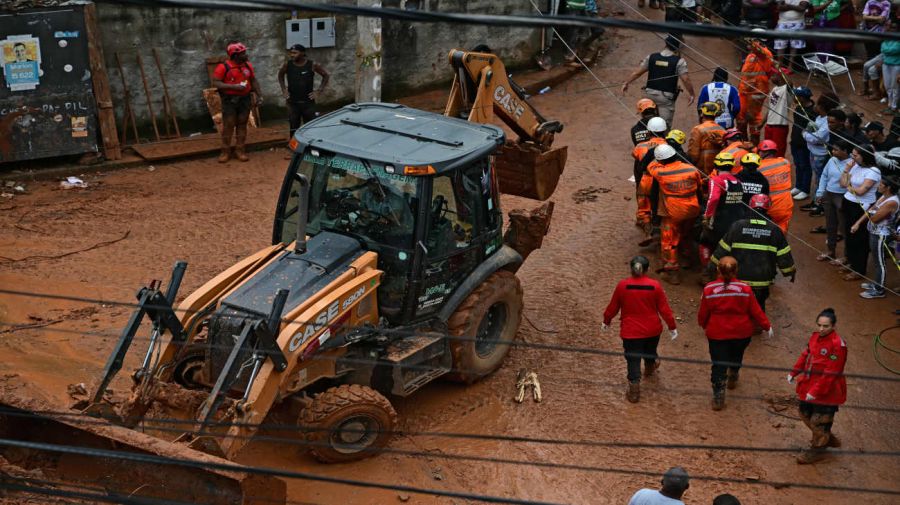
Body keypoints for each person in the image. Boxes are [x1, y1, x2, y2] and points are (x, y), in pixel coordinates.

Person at [698, 256, 771, 410]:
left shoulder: (709, 289)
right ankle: (733, 374)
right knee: (737, 355)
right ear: (737, 270)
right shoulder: (745, 289)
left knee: (718, 364)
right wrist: (766, 325)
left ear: (718, 269)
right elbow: (755, 310)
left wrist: (704, 325)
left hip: (717, 333)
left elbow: (703, 313)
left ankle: (719, 397)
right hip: (741, 333)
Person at [602, 256, 677, 403]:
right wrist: (672, 327)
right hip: (652, 330)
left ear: (631, 269)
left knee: (633, 359)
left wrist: (606, 321)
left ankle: (634, 389)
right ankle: (650, 366)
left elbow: (613, 307)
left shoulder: (622, 286)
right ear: (647, 269)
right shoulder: (655, 286)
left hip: (631, 332)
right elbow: (665, 310)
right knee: (650, 350)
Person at [712, 194, 795, 311]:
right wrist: (790, 272)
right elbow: (784, 255)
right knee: (759, 305)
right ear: (768, 208)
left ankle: (739, 324)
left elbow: (722, 249)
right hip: (762, 280)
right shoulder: (774, 230)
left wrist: (710, 268)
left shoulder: (737, 226)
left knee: (737, 305)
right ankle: (758, 325)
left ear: (750, 206)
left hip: (739, 277)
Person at [788, 308, 847, 464]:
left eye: (825, 326)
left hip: (828, 390)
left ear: (833, 326)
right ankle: (826, 436)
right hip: (809, 385)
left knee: (819, 420)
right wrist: (794, 372)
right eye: (819, 325)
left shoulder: (838, 346)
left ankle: (817, 449)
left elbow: (832, 371)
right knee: (803, 412)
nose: (821, 329)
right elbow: (805, 354)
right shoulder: (815, 337)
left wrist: (816, 391)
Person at [649, 144, 704, 284]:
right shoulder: (692, 169)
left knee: (668, 241)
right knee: (686, 234)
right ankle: (686, 259)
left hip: (673, 213)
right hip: (692, 211)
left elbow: (650, 166)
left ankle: (672, 270)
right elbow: (700, 188)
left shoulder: (661, 173)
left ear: (661, 160)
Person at [622, 35, 696, 127]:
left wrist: (626, 83)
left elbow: (637, 73)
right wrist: (692, 94)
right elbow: (686, 79)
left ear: (665, 44)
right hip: (665, 98)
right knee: (664, 127)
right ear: (677, 48)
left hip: (648, 95)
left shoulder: (652, 57)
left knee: (647, 124)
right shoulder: (679, 61)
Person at [212, 42, 262, 163]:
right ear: (235, 55)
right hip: (229, 100)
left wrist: (259, 95)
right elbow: (216, 82)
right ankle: (225, 151)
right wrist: (234, 87)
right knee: (229, 124)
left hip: (244, 99)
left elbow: (253, 80)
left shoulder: (248, 66)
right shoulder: (223, 67)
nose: (245, 54)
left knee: (242, 123)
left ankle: (240, 150)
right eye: (242, 53)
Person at [851, 177, 899, 298]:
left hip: (881, 235)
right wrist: (858, 223)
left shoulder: (892, 202)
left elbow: (875, 218)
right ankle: (877, 283)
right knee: (877, 260)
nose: (878, 186)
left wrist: (874, 212)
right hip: (874, 232)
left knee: (880, 262)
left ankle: (879, 290)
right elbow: (871, 210)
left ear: (888, 188)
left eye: (881, 184)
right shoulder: (884, 197)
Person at [700, 152, 744, 282]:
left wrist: (707, 217)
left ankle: (707, 273)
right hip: (736, 221)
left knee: (705, 242)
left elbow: (713, 199)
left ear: (715, 165)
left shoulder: (717, 180)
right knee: (729, 248)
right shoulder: (737, 181)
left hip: (719, 220)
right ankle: (730, 275)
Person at [839, 145, 882, 281]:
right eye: (852, 154)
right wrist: (846, 170)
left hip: (861, 207)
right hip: (848, 202)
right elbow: (842, 183)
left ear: (865, 156)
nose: (853, 157)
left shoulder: (873, 171)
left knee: (859, 238)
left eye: (856, 155)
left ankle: (859, 269)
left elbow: (861, 191)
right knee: (848, 234)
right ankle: (851, 262)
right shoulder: (855, 166)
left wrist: (848, 185)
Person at [278, 44, 330, 140]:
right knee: (293, 128)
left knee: (309, 128)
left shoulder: (312, 65)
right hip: (292, 103)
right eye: (291, 53)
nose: (292, 55)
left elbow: (325, 76)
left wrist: (319, 91)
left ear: (302, 53)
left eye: (295, 53)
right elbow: (280, 75)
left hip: (308, 103)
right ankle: (294, 149)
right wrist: (284, 90)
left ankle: (308, 147)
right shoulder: (287, 65)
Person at [813, 139, 852, 263]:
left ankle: (847, 255)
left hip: (843, 197)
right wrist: (820, 192)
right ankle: (831, 251)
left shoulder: (852, 164)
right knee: (830, 224)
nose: (833, 151)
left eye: (836, 149)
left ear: (845, 151)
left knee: (844, 227)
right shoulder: (832, 160)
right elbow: (824, 176)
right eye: (833, 149)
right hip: (829, 195)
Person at [737, 30, 775, 144]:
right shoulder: (751, 55)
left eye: (752, 40)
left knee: (752, 120)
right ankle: (743, 145)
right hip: (744, 92)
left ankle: (754, 148)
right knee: (740, 121)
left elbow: (758, 50)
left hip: (756, 93)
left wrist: (751, 41)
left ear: (758, 41)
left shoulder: (765, 54)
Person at [798, 94, 836, 200]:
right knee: (817, 177)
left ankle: (818, 202)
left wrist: (804, 133)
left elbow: (816, 138)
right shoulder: (820, 117)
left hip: (820, 155)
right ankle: (816, 200)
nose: (815, 106)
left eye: (818, 104)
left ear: (822, 107)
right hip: (813, 152)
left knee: (820, 178)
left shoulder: (826, 122)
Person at [757, 139, 794, 232]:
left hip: (769, 204)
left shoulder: (758, 167)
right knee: (782, 231)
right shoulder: (785, 162)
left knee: (765, 231)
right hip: (786, 203)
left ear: (762, 152)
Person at [790, 86, 816, 199]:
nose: (794, 97)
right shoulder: (799, 108)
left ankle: (805, 189)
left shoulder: (813, 112)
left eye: (797, 95)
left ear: (802, 97)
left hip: (805, 143)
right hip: (795, 141)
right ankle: (798, 186)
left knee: (805, 166)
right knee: (797, 164)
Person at [689, 102, 726, 175]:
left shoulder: (698, 129)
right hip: (717, 168)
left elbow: (694, 154)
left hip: (703, 168)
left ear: (702, 114)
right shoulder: (722, 129)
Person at [774, 0, 810, 72]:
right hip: (782, 23)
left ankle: (790, 66)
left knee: (794, 46)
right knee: (780, 45)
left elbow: (802, 8)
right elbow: (779, 7)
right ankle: (779, 65)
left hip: (798, 23)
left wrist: (788, 6)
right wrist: (795, 7)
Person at [762, 72, 790, 157]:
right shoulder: (775, 89)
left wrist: (780, 69)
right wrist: (762, 123)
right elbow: (771, 108)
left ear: (780, 76)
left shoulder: (786, 89)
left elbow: (789, 83)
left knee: (778, 152)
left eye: (773, 75)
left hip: (779, 126)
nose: (771, 77)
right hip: (769, 125)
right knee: (767, 151)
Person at [880, 24, 900, 115]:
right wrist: (889, 50)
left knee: (895, 86)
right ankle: (889, 105)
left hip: (897, 65)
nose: (892, 29)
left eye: (894, 27)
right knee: (887, 86)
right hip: (886, 64)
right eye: (891, 27)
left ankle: (894, 106)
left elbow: (895, 49)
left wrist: (887, 50)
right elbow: (883, 49)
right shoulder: (887, 38)